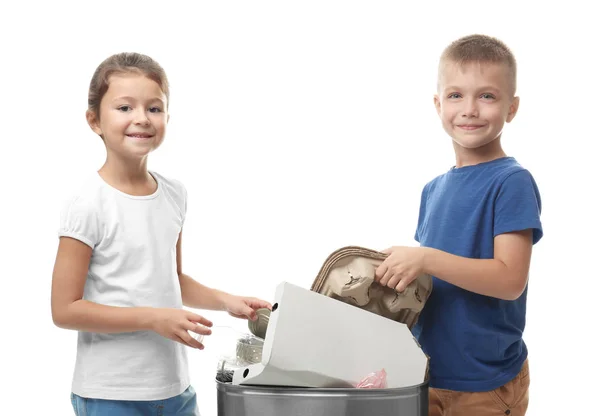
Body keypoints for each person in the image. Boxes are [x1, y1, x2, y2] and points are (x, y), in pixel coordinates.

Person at [51, 52, 272, 416]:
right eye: (124, 107)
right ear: (95, 121)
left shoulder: (173, 194)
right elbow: (65, 309)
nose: (141, 118)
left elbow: (171, 278)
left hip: (174, 389)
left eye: (154, 108)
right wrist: (153, 318)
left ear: (167, 117)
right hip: (111, 392)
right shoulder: (87, 203)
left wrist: (227, 301)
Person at [374, 34, 543, 415]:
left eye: (487, 96)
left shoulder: (511, 181)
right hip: (428, 375)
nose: (469, 109)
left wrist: (425, 258)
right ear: (438, 104)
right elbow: (433, 285)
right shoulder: (432, 189)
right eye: (455, 95)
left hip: (486, 384)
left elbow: (509, 280)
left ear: (511, 108)